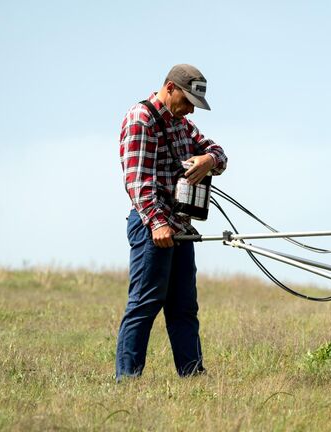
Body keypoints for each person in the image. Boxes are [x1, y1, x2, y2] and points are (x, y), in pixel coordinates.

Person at [116, 64, 227, 380]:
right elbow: (138, 181)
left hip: (179, 227)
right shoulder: (141, 119)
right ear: (169, 88)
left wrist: (208, 160)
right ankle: (127, 380)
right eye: (188, 100)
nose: (191, 109)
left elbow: (218, 152)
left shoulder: (183, 125)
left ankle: (192, 376)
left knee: (184, 309)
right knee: (144, 304)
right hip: (152, 226)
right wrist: (157, 223)